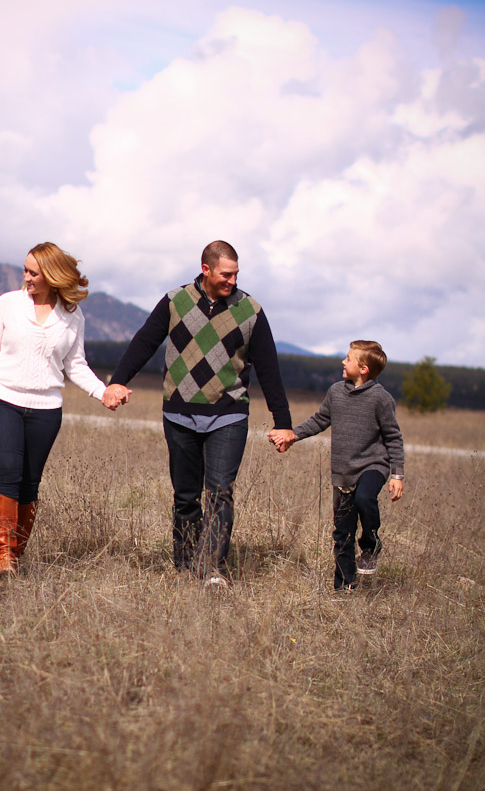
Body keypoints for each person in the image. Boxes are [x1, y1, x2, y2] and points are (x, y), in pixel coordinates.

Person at [104, 240, 294, 584]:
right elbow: (145, 341)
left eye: (236, 274)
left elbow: (269, 368)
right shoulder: (175, 301)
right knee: (186, 495)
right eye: (226, 274)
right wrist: (118, 381)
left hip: (228, 413)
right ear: (205, 269)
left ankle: (213, 569)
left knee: (220, 491)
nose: (232, 281)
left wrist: (284, 423)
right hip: (178, 414)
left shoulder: (250, 310)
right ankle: (186, 565)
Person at [0, 242, 126, 576]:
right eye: (25, 270)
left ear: (51, 276)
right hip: (2, 399)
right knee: (7, 471)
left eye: (33, 272)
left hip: (47, 409)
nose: (26, 277)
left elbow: (75, 364)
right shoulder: (7, 304)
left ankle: (16, 558)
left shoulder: (72, 315)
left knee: (29, 483)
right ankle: (4, 559)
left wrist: (101, 392)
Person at [268, 340, 404, 591]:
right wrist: (292, 435)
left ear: (363, 369)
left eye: (349, 358)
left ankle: (371, 545)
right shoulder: (336, 392)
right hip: (342, 472)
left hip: (373, 465)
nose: (343, 361)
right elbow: (320, 420)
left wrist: (397, 475)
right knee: (342, 533)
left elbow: (394, 438)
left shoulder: (381, 399)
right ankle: (344, 588)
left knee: (365, 498)